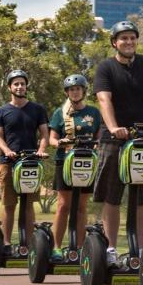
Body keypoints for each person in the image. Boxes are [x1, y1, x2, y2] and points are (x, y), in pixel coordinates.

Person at [93, 19, 143, 266]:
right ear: (115, 42)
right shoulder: (106, 67)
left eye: (132, 38)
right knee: (112, 196)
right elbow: (104, 100)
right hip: (115, 138)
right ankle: (111, 248)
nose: (129, 42)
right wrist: (113, 127)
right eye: (123, 38)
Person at [0, 69, 49, 249]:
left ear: (26, 86)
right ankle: (7, 243)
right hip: (9, 162)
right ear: (10, 87)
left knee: (29, 204)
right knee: (9, 204)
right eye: (16, 84)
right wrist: (6, 150)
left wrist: (41, 150)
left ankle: (30, 244)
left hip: (30, 162)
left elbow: (45, 133)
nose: (20, 86)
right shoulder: (1, 111)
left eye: (22, 83)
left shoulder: (37, 109)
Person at [47, 74, 102, 256]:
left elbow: (99, 136)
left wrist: (98, 144)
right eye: (72, 89)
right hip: (65, 161)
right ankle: (56, 247)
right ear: (67, 92)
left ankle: (79, 248)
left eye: (78, 89)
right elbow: (51, 139)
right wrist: (60, 142)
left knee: (81, 206)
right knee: (63, 205)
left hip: (86, 163)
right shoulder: (59, 113)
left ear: (83, 91)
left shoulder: (94, 113)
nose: (75, 92)